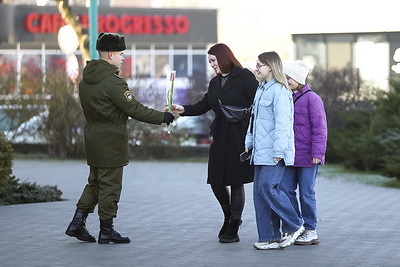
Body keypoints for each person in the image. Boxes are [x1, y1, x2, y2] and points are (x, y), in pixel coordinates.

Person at [65, 32, 175, 244]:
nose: (123, 57)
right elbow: (134, 109)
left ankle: (77, 223)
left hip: (93, 136)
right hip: (111, 139)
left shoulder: (86, 79)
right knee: (110, 185)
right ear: (109, 54)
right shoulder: (113, 83)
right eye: (120, 53)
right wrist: (163, 117)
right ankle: (107, 230)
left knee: (95, 183)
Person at [169, 43, 259, 243]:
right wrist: (182, 109)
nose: (212, 65)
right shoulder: (215, 83)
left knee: (236, 181)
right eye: (210, 62)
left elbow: (258, 103)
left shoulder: (244, 76)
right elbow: (204, 105)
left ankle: (234, 222)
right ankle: (228, 214)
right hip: (220, 136)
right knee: (216, 180)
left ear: (224, 57)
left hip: (239, 136)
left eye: (213, 60)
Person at [245, 51, 304, 250]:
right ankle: (269, 237)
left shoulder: (280, 91)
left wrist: (279, 150)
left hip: (274, 152)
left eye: (259, 65)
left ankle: (296, 225)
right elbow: (254, 121)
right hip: (260, 151)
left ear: (270, 66)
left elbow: (283, 124)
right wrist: (249, 142)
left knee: (268, 188)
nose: (256, 68)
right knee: (259, 194)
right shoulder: (261, 89)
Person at [280, 60, 327, 245]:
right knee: (285, 190)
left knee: (306, 193)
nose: (286, 80)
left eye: (289, 77)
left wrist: (318, 153)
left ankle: (310, 229)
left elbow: (320, 128)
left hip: (309, 156)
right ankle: (294, 227)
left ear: (298, 78)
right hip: (291, 154)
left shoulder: (312, 99)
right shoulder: (287, 96)